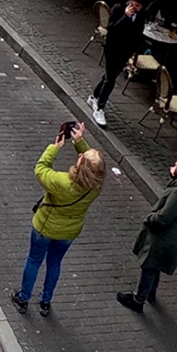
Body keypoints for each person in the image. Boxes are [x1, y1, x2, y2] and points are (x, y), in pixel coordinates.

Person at [10, 121, 105, 317]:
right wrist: (80, 143)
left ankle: (24, 297)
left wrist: (55, 147)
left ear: (81, 165)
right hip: (68, 232)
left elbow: (41, 168)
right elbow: (91, 165)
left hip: (44, 228)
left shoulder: (62, 182)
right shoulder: (96, 186)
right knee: (54, 263)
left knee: (34, 260)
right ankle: (45, 301)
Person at [117, 144, 177, 312]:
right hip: (176, 237)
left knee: (149, 266)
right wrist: (175, 175)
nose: (175, 164)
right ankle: (150, 293)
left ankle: (138, 300)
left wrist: (149, 219)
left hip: (164, 237)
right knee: (155, 266)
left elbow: (163, 217)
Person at [89, 0, 148, 127]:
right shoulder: (118, 9)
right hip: (113, 49)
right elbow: (112, 29)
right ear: (130, 1)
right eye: (133, 4)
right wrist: (125, 17)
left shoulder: (141, 16)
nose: (135, 8)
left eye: (138, 6)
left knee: (110, 75)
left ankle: (94, 96)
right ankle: (100, 108)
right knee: (110, 80)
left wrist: (132, 53)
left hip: (125, 53)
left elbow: (138, 35)